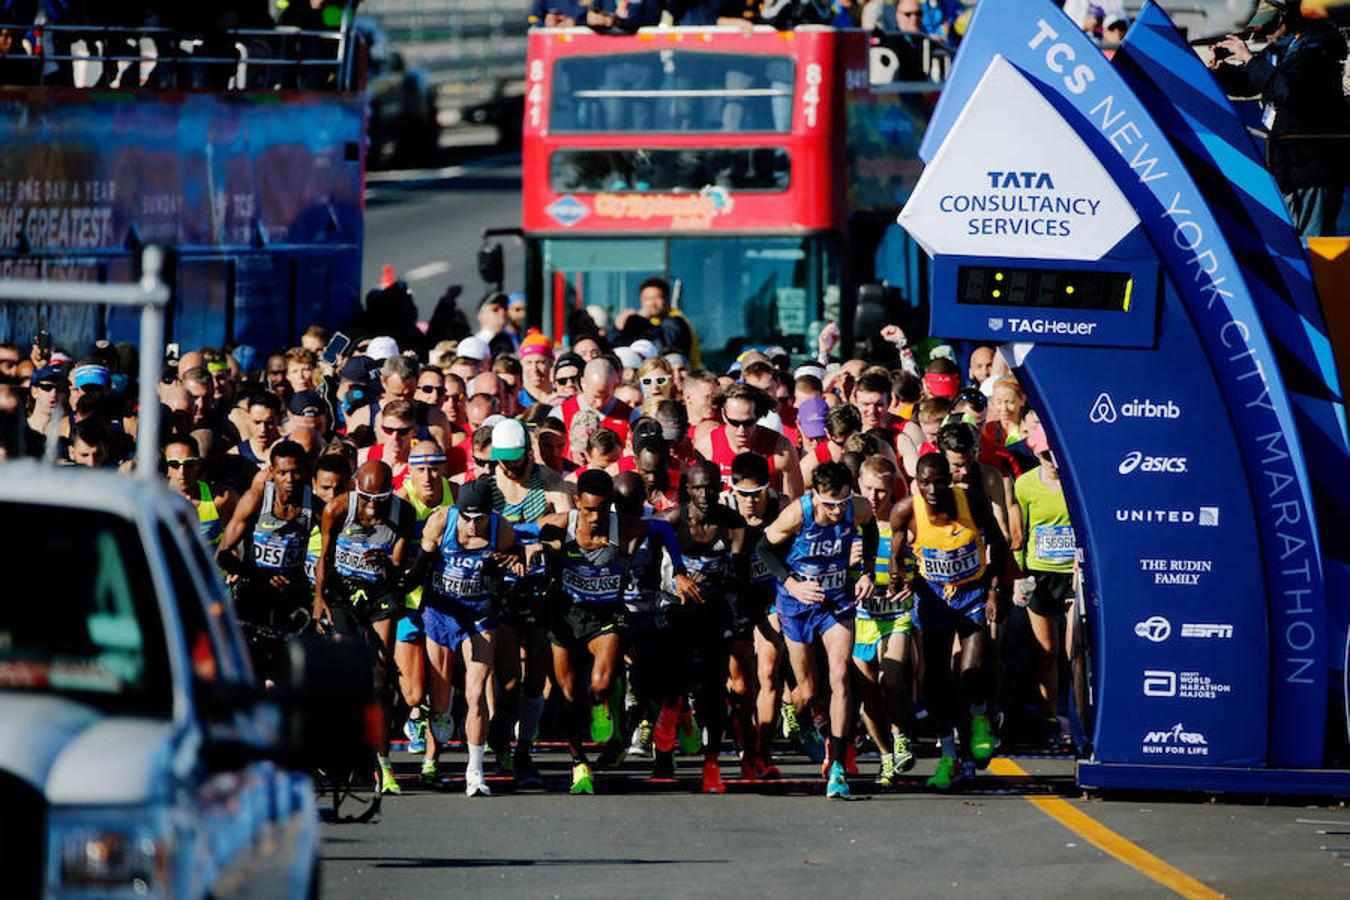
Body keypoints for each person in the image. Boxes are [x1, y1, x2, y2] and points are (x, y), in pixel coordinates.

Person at [760, 461, 878, 799]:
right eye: (830, 504)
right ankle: (792, 709)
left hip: (837, 600)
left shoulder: (858, 507)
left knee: (840, 676)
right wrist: (792, 584)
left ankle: (838, 765)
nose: (837, 511)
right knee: (809, 690)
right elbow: (764, 548)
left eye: (842, 502)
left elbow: (870, 530)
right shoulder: (799, 513)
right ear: (816, 495)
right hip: (797, 603)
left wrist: (867, 571)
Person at [890, 453, 1006, 791]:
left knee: (970, 672)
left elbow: (998, 542)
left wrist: (995, 591)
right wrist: (902, 579)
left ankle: (980, 716)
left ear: (949, 479)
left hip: (972, 595)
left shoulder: (970, 501)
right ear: (915, 481)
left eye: (938, 480)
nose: (931, 489)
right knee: (936, 683)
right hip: (934, 600)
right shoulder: (906, 510)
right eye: (923, 482)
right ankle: (951, 755)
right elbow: (897, 556)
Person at [536, 469, 649, 795]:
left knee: (599, 685)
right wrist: (541, 550)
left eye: (601, 509)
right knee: (569, 695)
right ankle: (579, 762)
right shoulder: (562, 523)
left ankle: (603, 706)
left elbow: (660, 530)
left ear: (610, 505)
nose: (595, 517)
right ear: (577, 504)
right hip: (567, 617)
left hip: (605, 616)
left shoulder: (626, 527)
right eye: (588, 510)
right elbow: (533, 533)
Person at [313, 460, 415, 796]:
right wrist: (318, 598)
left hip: (378, 593)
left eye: (379, 498)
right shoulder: (338, 508)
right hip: (342, 593)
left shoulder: (403, 513)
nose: (371, 506)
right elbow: (324, 557)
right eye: (366, 498)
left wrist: (386, 563)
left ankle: (383, 763)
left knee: (380, 677)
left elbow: (397, 571)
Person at [1208, 0, 1349, 236]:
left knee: (1310, 245)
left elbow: (1285, 90)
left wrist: (1250, 58)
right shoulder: (1288, 46)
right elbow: (1250, 81)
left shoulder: (1317, 51)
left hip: (1311, 169)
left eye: (1271, 25)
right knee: (1293, 238)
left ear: (1289, 17)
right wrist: (1217, 71)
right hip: (1290, 168)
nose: (1264, 32)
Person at [484, 418, 573, 787]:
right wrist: (501, 551)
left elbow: (569, 524)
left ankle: (523, 753)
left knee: (536, 678)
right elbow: (470, 531)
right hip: (501, 593)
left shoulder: (548, 479)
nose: (509, 468)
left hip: (540, 590)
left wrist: (537, 541)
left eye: (515, 460)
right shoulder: (487, 485)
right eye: (502, 460)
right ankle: (499, 737)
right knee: (507, 684)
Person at [416, 478, 517, 797]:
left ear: (491, 513)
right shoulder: (441, 521)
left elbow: (501, 578)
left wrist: (498, 586)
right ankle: (432, 757)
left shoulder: (502, 530)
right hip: (441, 612)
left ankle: (475, 771)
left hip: (478, 614)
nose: (473, 525)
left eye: (480, 518)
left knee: (476, 695)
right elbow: (421, 567)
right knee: (442, 701)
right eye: (467, 517)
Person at [659, 460, 748, 793]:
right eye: (697, 487)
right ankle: (669, 711)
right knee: (676, 673)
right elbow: (638, 541)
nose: (705, 494)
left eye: (711, 487)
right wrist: (677, 576)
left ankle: (712, 766)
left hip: (714, 614)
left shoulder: (732, 524)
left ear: (720, 488)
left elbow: (738, 574)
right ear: (687, 490)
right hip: (676, 612)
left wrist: (714, 577)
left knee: (713, 691)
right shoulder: (671, 520)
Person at [216, 441, 321, 679]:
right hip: (254, 591)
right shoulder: (256, 498)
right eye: (283, 472)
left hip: (293, 594)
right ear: (272, 472)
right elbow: (223, 553)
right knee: (252, 665)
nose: (290, 479)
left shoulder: (313, 505)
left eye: (296, 472)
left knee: (291, 668)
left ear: (304, 472)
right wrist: (257, 576)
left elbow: (332, 548)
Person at [850, 456, 916, 788]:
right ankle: (885, 755)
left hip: (896, 616)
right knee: (867, 694)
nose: (875, 497)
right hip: (861, 619)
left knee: (891, 678)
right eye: (869, 489)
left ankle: (901, 733)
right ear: (858, 486)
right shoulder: (848, 522)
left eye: (882, 490)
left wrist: (911, 582)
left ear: (893, 488)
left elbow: (921, 566)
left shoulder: (902, 521)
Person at [395, 441, 457, 781]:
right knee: (414, 693)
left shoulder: (457, 495)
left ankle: (432, 760)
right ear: (409, 471)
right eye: (420, 469)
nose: (428, 476)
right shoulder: (402, 502)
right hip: (408, 603)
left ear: (444, 469)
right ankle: (413, 715)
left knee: (440, 691)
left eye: (434, 468)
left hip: (444, 603)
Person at [1014, 416, 1077, 749]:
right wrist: (1019, 576)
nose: (1051, 460)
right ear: (1034, 450)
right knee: (1046, 653)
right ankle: (1051, 716)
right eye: (1044, 454)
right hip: (1039, 575)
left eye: (1055, 453)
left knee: (1074, 650)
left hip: (1071, 575)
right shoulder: (1024, 485)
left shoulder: (1077, 480)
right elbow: (1018, 534)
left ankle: (1078, 716)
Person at [696, 383, 803, 498]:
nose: (741, 430)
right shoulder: (706, 447)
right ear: (723, 414)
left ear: (757, 416)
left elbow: (794, 503)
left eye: (748, 423)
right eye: (734, 422)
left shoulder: (781, 449)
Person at [164, 435, 236, 550]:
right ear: (165, 468)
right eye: (174, 464)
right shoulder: (155, 503)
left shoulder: (222, 498)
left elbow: (235, 543)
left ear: (198, 465)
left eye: (189, 464)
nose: (182, 471)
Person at [616, 276, 698, 362]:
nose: (652, 303)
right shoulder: (647, 323)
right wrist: (618, 328)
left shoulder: (677, 321)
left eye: (657, 298)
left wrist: (639, 319)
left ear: (667, 299)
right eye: (647, 299)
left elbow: (664, 346)